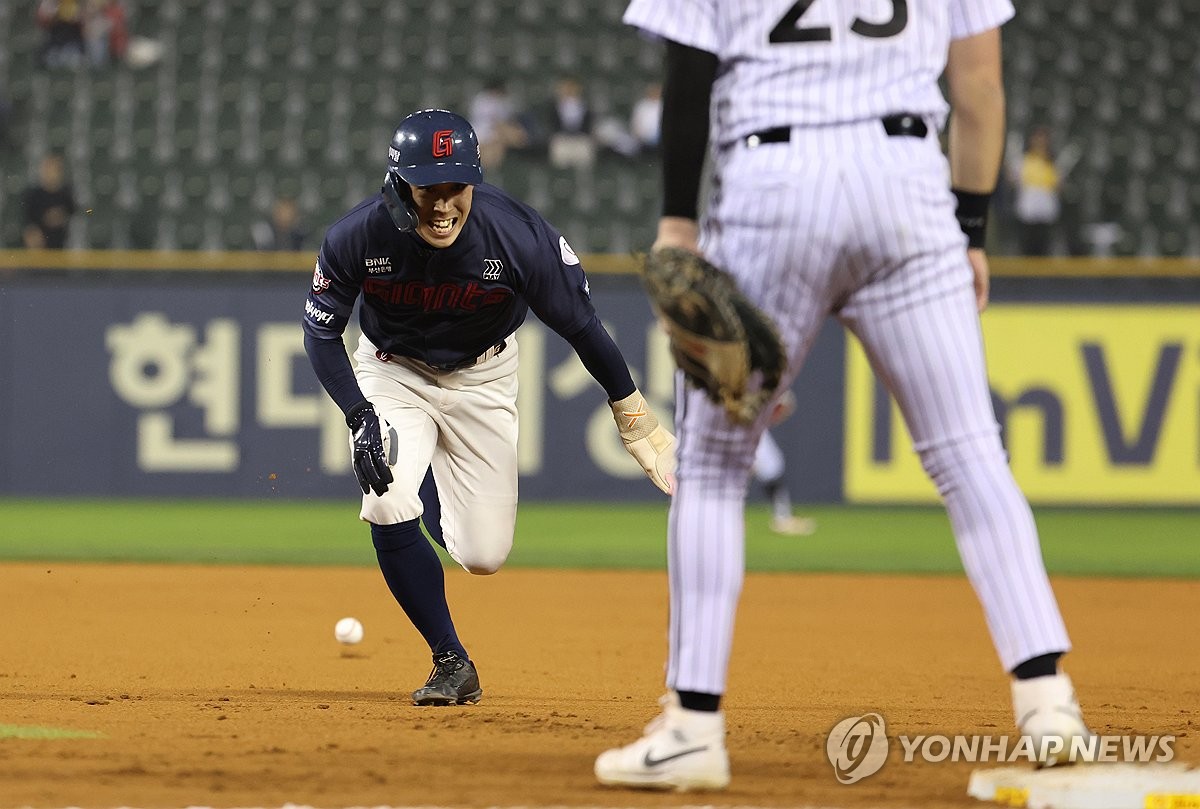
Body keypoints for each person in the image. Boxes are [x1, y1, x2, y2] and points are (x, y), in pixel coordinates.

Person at [596, 0, 1091, 791]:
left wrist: (679, 223)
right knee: (969, 455)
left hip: (771, 182)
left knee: (716, 469)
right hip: (909, 186)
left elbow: (689, 69)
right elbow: (980, 84)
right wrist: (968, 230)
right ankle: (1049, 702)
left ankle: (692, 726)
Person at [302, 109, 676, 706]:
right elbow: (321, 334)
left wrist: (633, 414)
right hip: (392, 372)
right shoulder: (357, 236)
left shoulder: (517, 235)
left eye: (458, 187)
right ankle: (451, 660)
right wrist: (357, 412)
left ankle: (422, 491)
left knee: (483, 555)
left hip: (484, 378)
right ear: (400, 183)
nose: (445, 204)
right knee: (386, 497)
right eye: (430, 188)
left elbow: (582, 327)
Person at [751, 392, 815, 537]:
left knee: (770, 464)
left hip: (749, 423)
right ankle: (782, 517)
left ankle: (782, 516)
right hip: (740, 422)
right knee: (769, 465)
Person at [1010, 124, 1079, 256]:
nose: (1040, 142)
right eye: (1037, 138)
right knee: (1027, 249)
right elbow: (1013, 181)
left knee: (1044, 249)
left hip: (1046, 215)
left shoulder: (1052, 164)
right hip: (1027, 213)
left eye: (1043, 138)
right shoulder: (1024, 161)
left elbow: (1059, 187)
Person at [22, 152, 77, 249]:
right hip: (38, 248)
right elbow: (27, 220)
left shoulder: (66, 194)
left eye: (53, 169)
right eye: (46, 168)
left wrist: (61, 216)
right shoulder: (33, 195)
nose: (49, 172)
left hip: (61, 246)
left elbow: (80, 211)